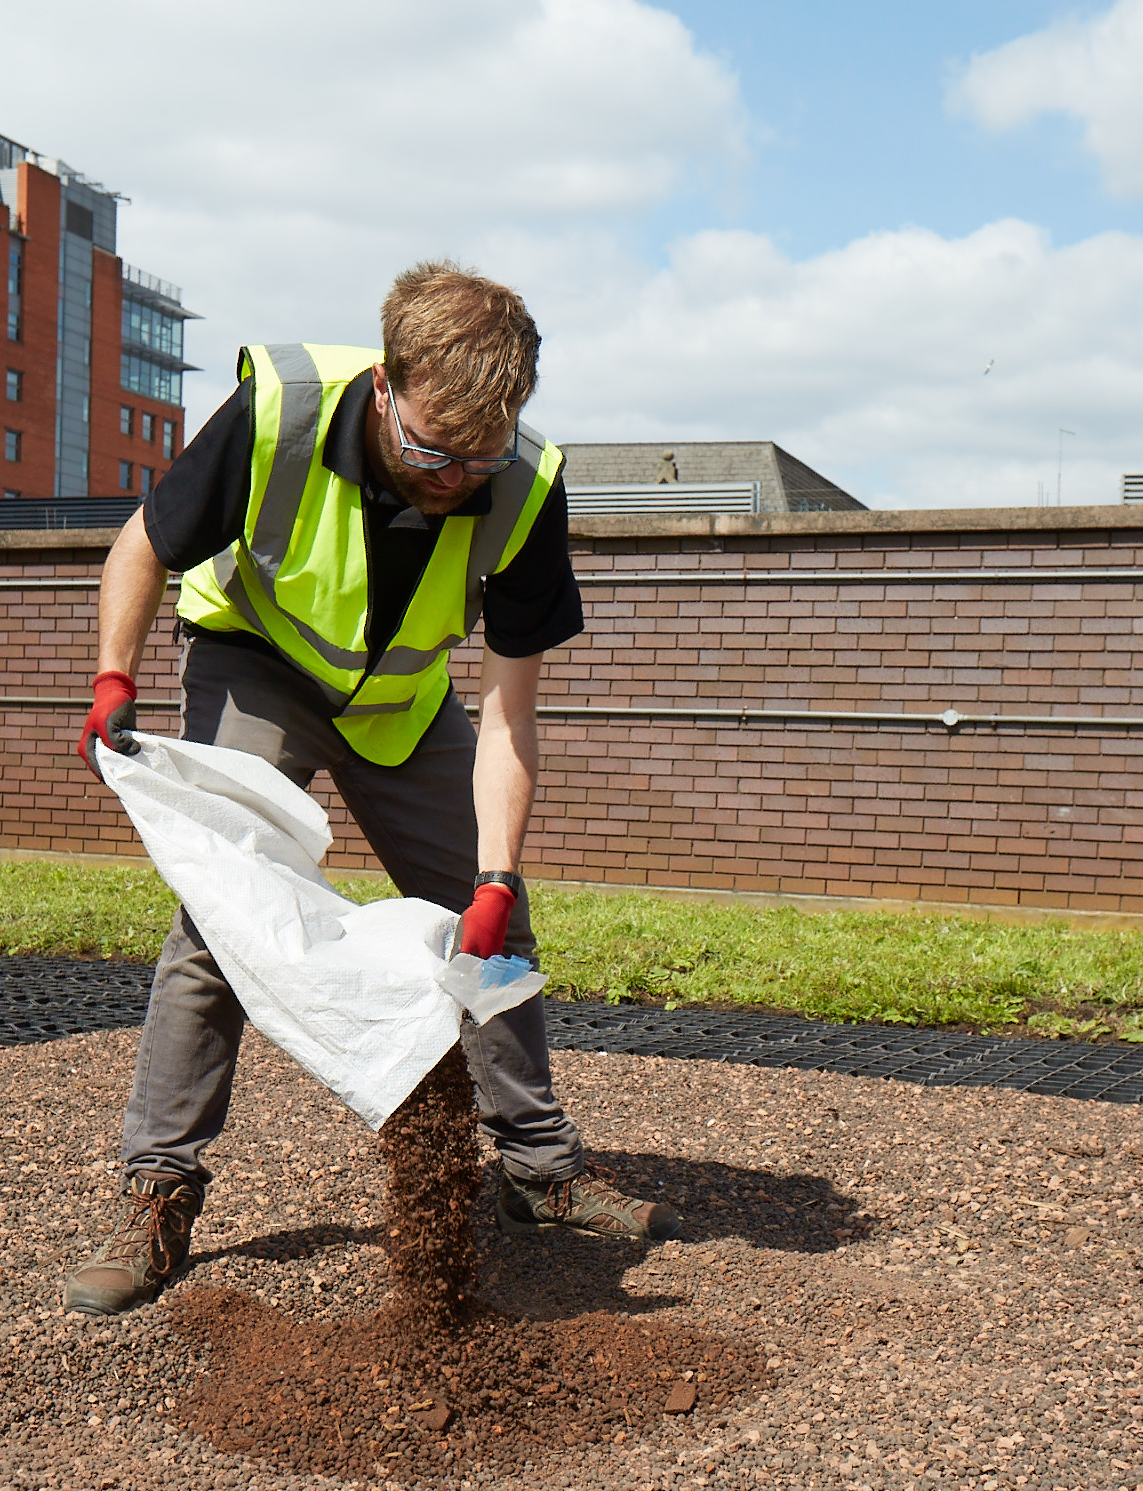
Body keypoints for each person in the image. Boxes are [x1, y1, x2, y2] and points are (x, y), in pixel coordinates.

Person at [63, 263, 682, 1317]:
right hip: (256, 659)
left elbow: (511, 717)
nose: (454, 477)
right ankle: (156, 1189)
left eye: (477, 456)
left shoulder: (524, 484)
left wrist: (491, 877)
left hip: (397, 702)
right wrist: (114, 674)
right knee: (222, 922)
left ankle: (540, 1172)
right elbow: (145, 541)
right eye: (432, 449)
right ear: (386, 387)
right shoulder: (281, 413)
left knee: (496, 927)